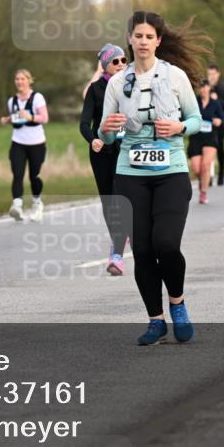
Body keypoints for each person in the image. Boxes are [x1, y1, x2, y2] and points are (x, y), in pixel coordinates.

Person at [98, 11, 209, 345]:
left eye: (149, 36)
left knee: (166, 244)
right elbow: (106, 131)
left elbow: (195, 119)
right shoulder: (117, 83)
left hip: (171, 171)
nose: (143, 42)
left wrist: (178, 127)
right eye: (138, 36)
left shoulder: (175, 77)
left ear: (158, 41)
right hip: (130, 174)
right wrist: (110, 129)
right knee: (143, 251)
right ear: (130, 39)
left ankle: (177, 303)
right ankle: (155, 321)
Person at [80, 44, 129, 276]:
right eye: (115, 61)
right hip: (101, 152)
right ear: (106, 65)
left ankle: (116, 254)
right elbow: (83, 123)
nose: (121, 64)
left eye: (123, 60)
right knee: (109, 201)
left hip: (126, 149)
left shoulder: (133, 85)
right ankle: (117, 240)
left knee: (121, 197)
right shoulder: (95, 90)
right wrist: (93, 140)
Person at [1, 69, 49, 221]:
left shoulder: (37, 98)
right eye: (17, 79)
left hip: (36, 143)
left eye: (22, 79)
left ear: (29, 81)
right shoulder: (12, 101)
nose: (19, 82)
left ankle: (37, 204)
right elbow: (17, 118)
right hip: (18, 142)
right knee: (17, 174)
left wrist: (30, 116)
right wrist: (7, 120)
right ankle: (17, 206)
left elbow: (44, 118)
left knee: (34, 176)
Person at [188, 78, 224, 203]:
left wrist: (219, 121)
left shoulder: (215, 103)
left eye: (205, 87)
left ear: (209, 88)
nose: (203, 90)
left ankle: (203, 192)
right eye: (201, 87)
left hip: (210, 137)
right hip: (196, 137)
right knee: (197, 169)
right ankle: (203, 180)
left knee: (206, 165)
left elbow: (223, 121)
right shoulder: (193, 102)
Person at [206, 64, 224, 185]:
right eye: (209, 74)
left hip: (220, 123)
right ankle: (209, 176)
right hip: (207, 123)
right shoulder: (204, 87)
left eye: (213, 74)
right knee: (207, 149)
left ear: (218, 74)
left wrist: (217, 100)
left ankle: (221, 173)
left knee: (220, 148)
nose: (211, 77)